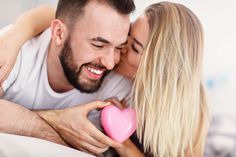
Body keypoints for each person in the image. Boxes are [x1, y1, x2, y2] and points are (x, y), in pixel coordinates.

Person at [0, 2, 209, 157]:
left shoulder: (184, 112)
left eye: (131, 47)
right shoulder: (23, 52)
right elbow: (61, 16)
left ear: (158, 68)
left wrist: (122, 143)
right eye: (124, 42)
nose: (113, 59)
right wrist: (18, 33)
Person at [0, 0, 135, 156]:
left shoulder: (118, 84)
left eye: (119, 47)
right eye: (98, 45)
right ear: (59, 33)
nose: (110, 63)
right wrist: (56, 121)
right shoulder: (14, 50)